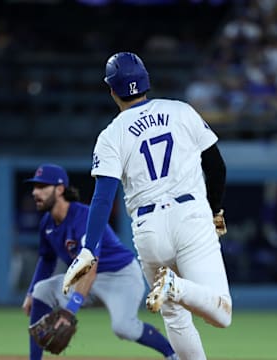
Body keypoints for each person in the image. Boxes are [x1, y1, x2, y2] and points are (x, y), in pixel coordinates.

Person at [63, 52, 232, 360]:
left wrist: (89, 249)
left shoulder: (111, 134)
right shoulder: (180, 111)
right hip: (191, 217)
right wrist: (216, 209)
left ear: (112, 90)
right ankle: (176, 287)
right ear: (146, 82)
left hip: (148, 230)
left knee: (175, 318)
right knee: (221, 314)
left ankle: (172, 288)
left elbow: (103, 197)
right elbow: (217, 167)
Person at [21, 163, 179, 360]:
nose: (36, 192)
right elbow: (47, 259)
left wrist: (70, 312)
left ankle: (173, 354)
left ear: (60, 189)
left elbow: (90, 267)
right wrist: (31, 293)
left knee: (124, 328)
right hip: (85, 279)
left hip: (120, 277)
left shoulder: (84, 217)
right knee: (41, 290)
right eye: (35, 187)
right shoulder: (47, 223)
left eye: (42, 187)